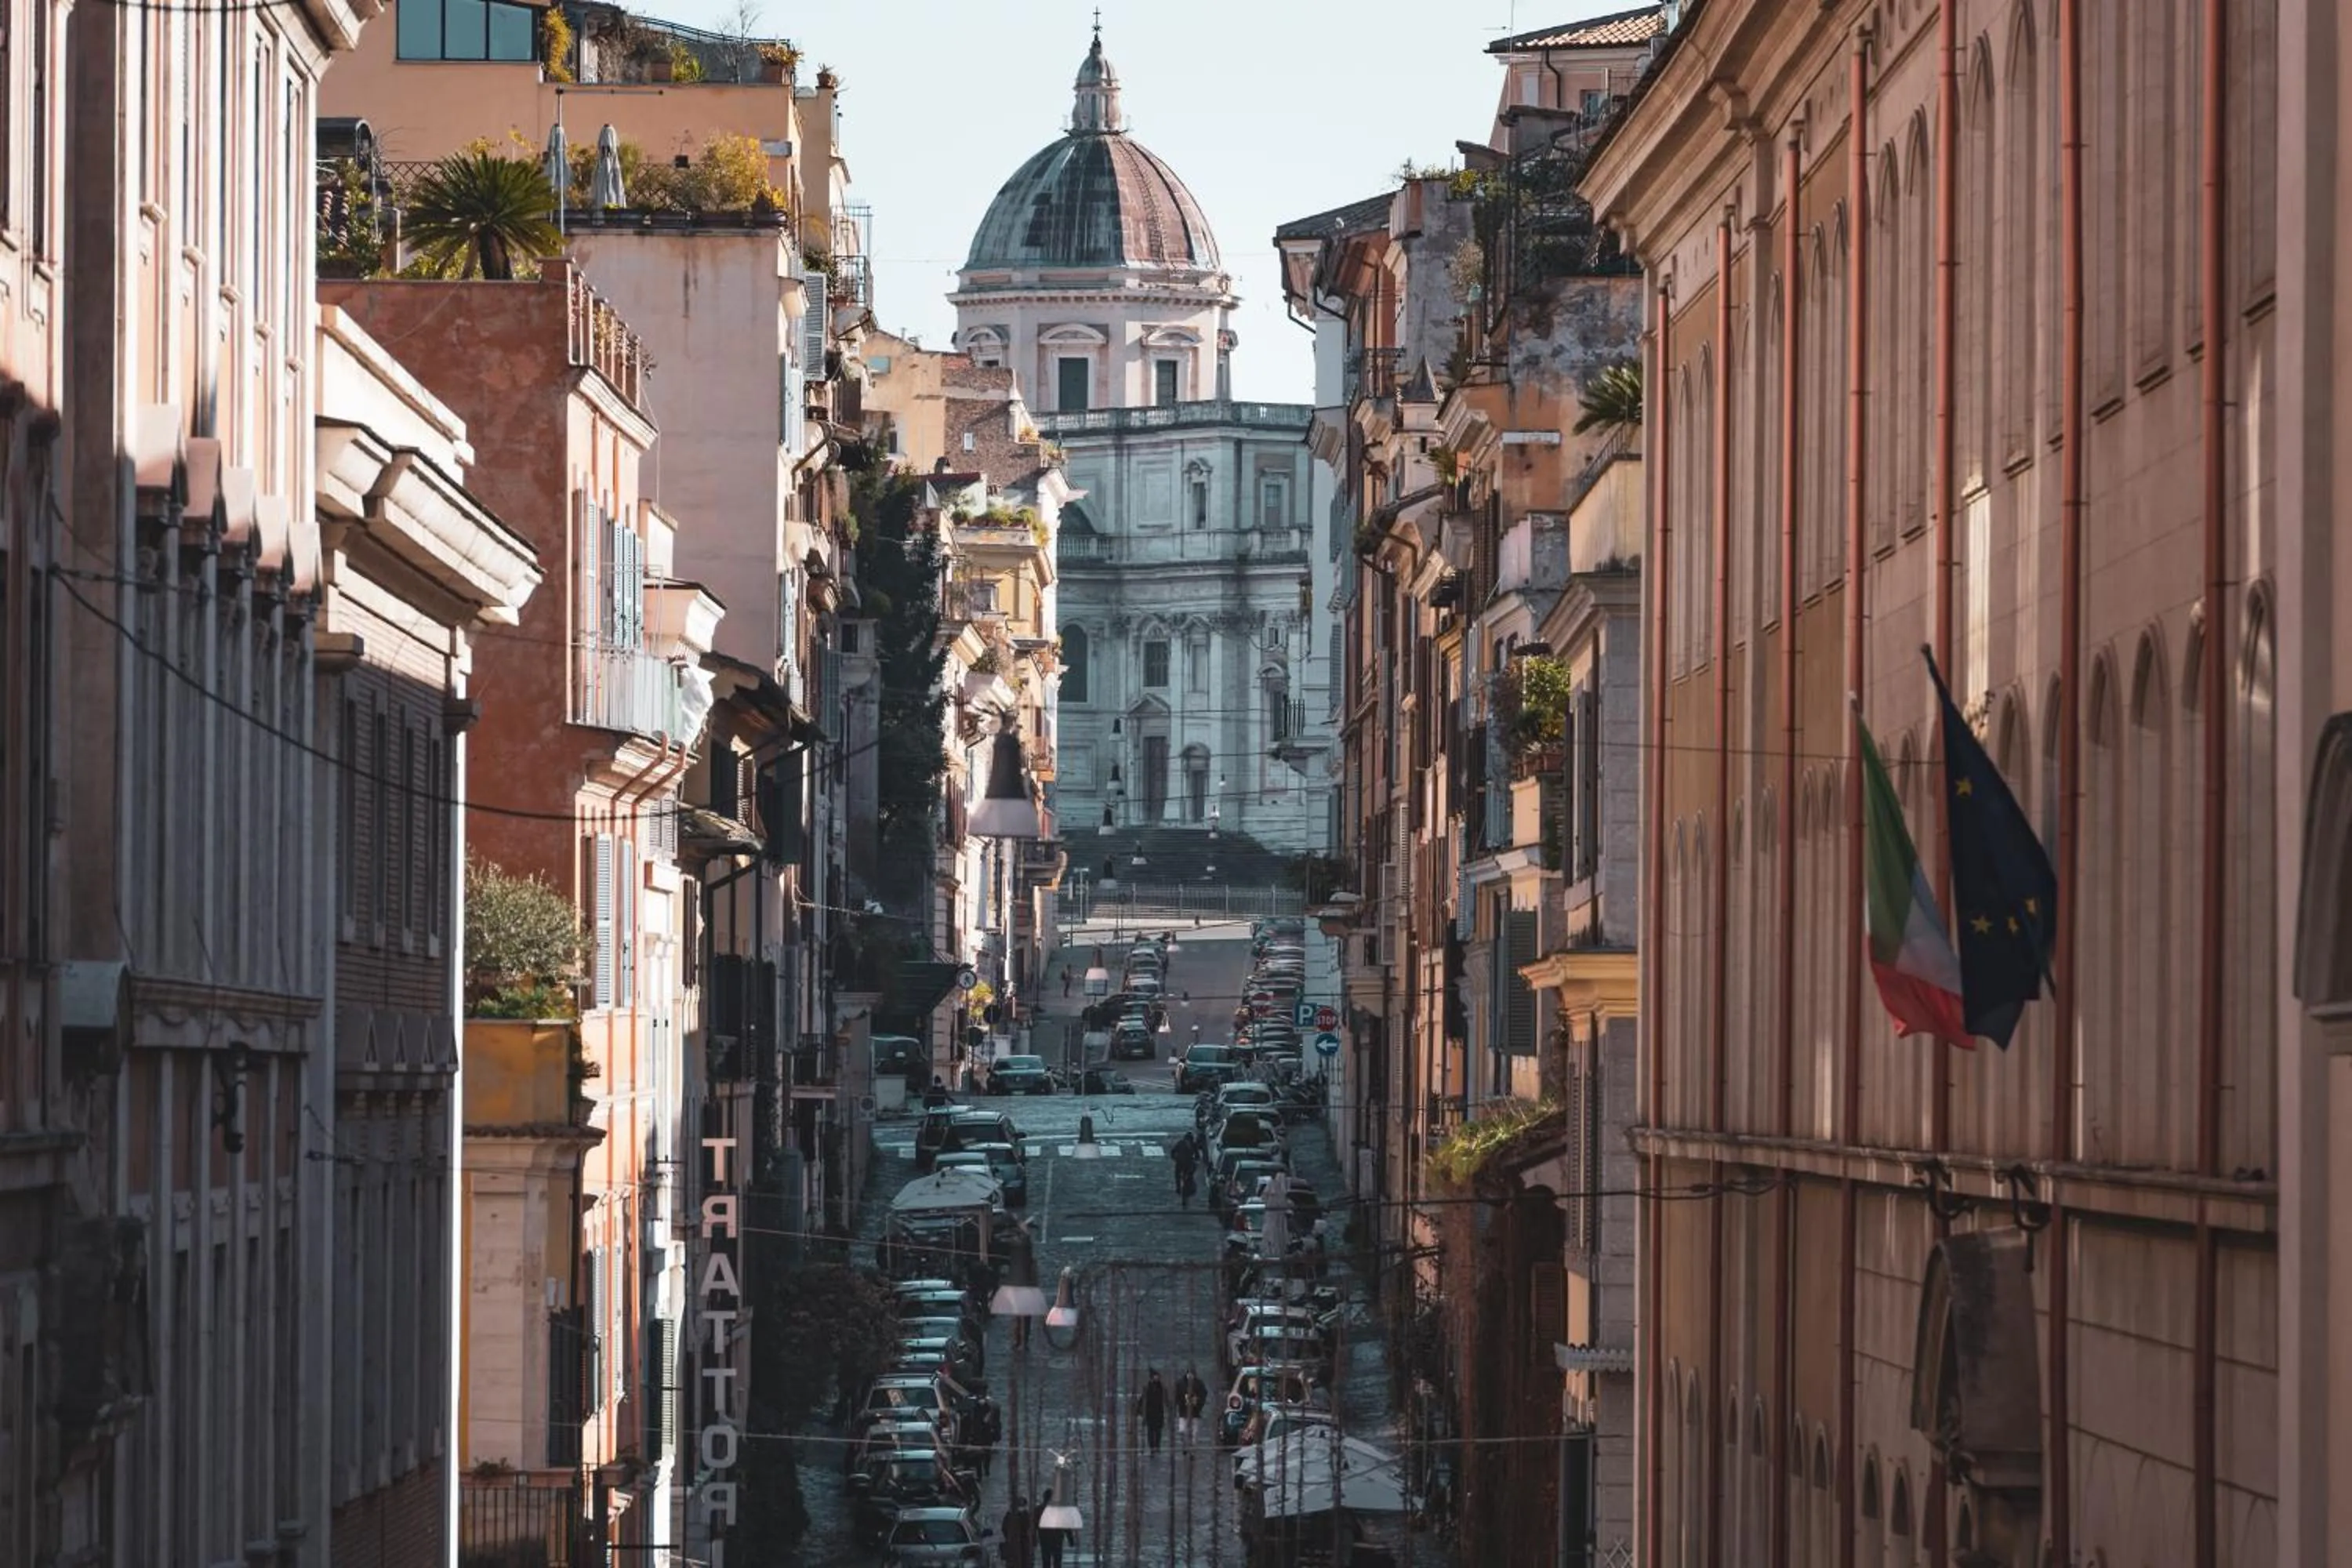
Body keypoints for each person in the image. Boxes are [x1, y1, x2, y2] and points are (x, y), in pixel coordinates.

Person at [1035, 1490, 1068, 1568]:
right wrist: (1070, 1538)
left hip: (1044, 1538)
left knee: (1046, 1560)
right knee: (1057, 1561)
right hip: (1057, 1538)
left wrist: (1034, 1538)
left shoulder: (1038, 1509)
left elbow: (1034, 1525)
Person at [1175, 1368, 1209, 1444]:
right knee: (1182, 1430)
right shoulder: (1180, 1383)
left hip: (1195, 1411)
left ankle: (1192, 1445)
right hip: (1183, 1410)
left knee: (1195, 1432)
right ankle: (1185, 1443)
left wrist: (1197, 1402)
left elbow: (1203, 1395)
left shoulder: (1199, 1384)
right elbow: (1176, 1396)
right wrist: (1182, 1401)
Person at [1138, 1369, 1168, 1454]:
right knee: (1150, 1431)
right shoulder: (1147, 1388)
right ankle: (1152, 1448)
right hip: (1150, 1412)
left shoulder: (1162, 1387)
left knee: (1158, 1431)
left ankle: (1157, 1447)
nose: (1157, 1378)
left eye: (1158, 1376)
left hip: (1159, 1412)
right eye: (1156, 1376)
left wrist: (1168, 1406)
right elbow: (1142, 1400)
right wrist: (1140, 1411)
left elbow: (1166, 1399)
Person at [1000, 1494, 1034, 1568]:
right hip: (1022, 1544)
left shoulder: (1010, 1515)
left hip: (1017, 1543)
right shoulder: (1025, 1515)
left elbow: (1004, 1529)